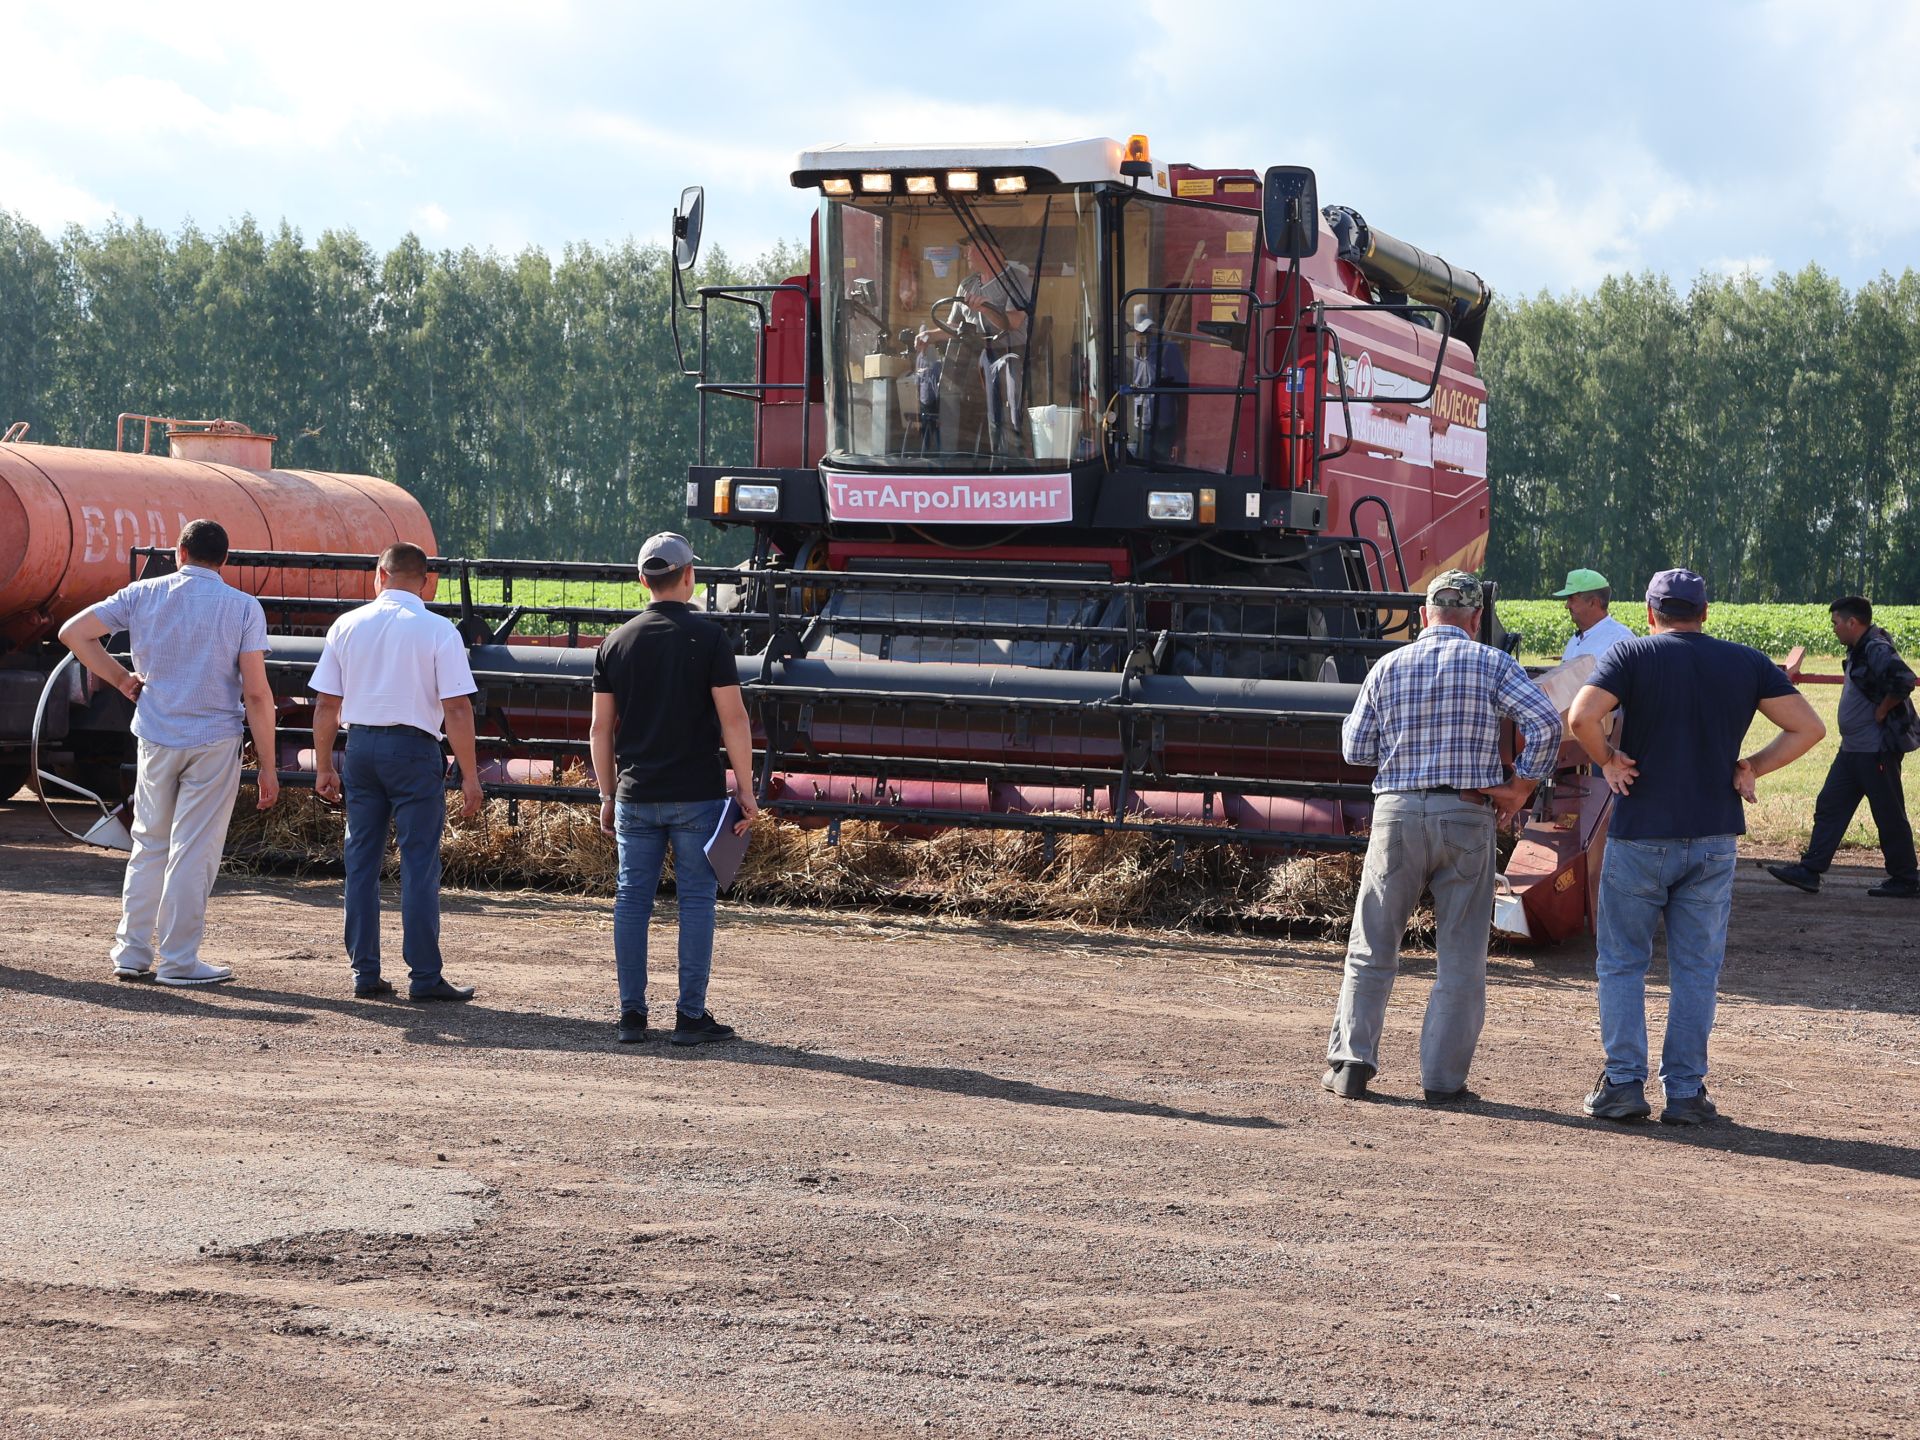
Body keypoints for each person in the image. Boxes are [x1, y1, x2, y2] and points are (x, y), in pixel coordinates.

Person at [1568, 568, 1824, 1126]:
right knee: (1696, 969)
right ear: (1705, 613)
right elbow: (1809, 728)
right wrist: (1751, 766)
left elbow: (1582, 716)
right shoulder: (1746, 661)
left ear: (1650, 612)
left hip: (1640, 833)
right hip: (1712, 836)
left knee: (1622, 962)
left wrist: (1610, 759)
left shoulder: (1632, 656)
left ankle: (1623, 1084)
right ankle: (1685, 1092)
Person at [1323, 570, 1563, 1105]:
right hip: (1467, 814)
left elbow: (1355, 749)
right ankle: (1443, 1081)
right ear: (1476, 619)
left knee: (1372, 944)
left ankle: (1351, 1065)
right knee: (1460, 955)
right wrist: (1520, 786)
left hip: (1398, 814)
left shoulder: (1387, 666)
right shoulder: (1492, 662)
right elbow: (1546, 721)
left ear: (1425, 613)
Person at [58, 520, 279, 986]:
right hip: (214, 738)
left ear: (179, 551)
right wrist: (269, 766)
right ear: (225, 558)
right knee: (193, 850)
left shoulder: (143, 594)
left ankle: (132, 952)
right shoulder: (243, 607)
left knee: (148, 843)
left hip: (156, 736)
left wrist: (120, 680)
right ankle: (179, 961)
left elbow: (74, 632)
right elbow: (257, 694)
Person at [589, 532, 758, 1046]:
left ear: (643, 580)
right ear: (690, 577)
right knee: (696, 902)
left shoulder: (615, 643)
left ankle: (631, 1016)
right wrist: (746, 789)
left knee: (631, 900)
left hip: (637, 794)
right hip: (698, 793)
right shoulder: (709, 639)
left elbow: (600, 730)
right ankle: (690, 1017)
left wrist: (607, 795)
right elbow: (733, 718)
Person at [310, 543, 483, 1002]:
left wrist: (324, 765)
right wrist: (470, 775)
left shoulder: (346, 625)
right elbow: (458, 709)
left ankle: (364, 971)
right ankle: (424, 975)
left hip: (361, 747)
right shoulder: (438, 630)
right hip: (413, 751)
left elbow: (327, 704)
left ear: (378, 576)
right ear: (428, 582)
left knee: (361, 861)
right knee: (418, 863)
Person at [1766, 596, 1917, 899]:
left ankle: (1906, 878)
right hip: (1853, 750)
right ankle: (1810, 871)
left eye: (1836, 622)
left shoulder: (1875, 648)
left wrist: (1883, 710)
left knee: (1888, 813)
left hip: (1875, 749)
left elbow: (1903, 680)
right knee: (1830, 805)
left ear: (1852, 622)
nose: (1833, 629)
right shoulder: (1861, 648)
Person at [957, 237, 1031, 455]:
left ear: (989, 251)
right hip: (977, 352)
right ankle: (974, 454)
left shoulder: (1018, 281)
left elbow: (1012, 322)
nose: (966, 255)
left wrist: (986, 309)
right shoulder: (967, 285)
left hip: (1012, 352)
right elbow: (953, 325)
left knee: (1012, 409)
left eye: (970, 249)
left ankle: (1013, 460)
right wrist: (927, 336)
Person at [1128, 304, 1188, 466]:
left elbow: (1182, 396)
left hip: (1165, 429)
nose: (1145, 336)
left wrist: (1180, 438)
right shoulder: (1128, 355)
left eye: (1149, 330)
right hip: (1140, 428)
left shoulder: (1169, 351)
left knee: (1165, 470)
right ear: (1134, 333)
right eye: (1141, 332)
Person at [1552, 568, 1634, 665]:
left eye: (1571, 599)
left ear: (1593, 602)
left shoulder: (1620, 640)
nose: (1567, 606)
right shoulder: (1574, 641)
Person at [913, 325, 943, 454]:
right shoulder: (919, 357)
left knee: (936, 428)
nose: (922, 345)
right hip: (923, 399)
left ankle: (939, 452)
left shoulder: (933, 355)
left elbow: (937, 377)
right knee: (925, 428)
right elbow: (918, 379)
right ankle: (924, 453)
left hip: (934, 398)